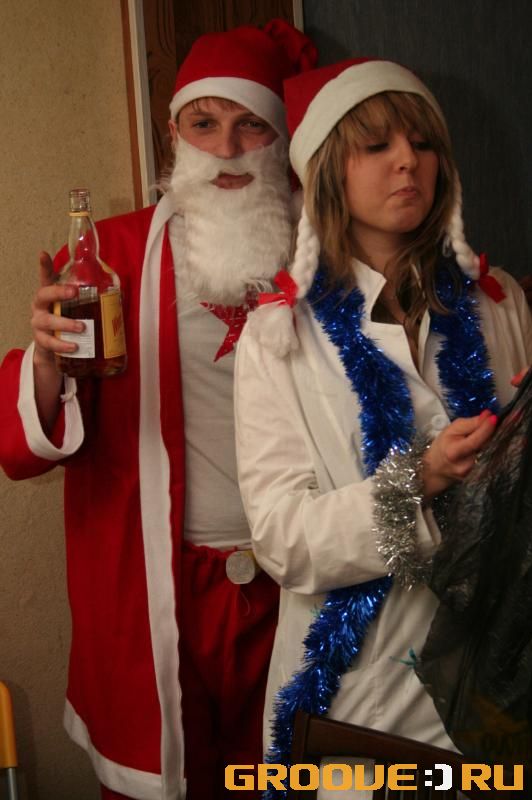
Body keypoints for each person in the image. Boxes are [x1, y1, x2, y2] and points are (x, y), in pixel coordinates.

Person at [0, 20, 317, 800]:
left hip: (303, 581)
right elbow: (24, 450)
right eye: (203, 123)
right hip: (158, 590)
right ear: (173, 134)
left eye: (251, 125)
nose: (226, 148)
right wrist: (46, 362)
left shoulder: (326, 253)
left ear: (280, 138)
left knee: (296, 777)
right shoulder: (107, 258)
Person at [234, 57, 532, 797]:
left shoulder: (499, 305)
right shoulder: (278, 337)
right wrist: (420, 480)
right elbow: (282, 538)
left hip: (496, 684)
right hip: (358, 699)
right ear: (328, 172)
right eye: (376, 145)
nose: (408, 161)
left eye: (423, 143)